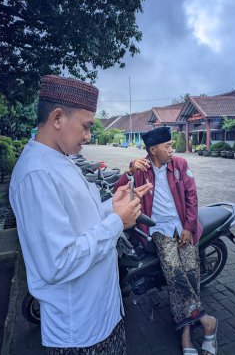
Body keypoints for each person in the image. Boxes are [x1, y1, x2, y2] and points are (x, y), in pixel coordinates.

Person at [9, 75, 152, 355]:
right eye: (86, 127)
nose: (89, 136)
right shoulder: (36, 174)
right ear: (58, 117)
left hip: (100, 314)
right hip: (80, 332)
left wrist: (111, 205)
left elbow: (78, 219)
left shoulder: (60, 158)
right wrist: (116, 223)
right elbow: (57, 263)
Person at [114, 126, 218, 355]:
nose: (172, 149)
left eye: (172, 145)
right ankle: (206, 321)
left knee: (191, 274)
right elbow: (117, 191)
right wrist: (129, 172)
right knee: (175, 274)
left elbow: (192, 197)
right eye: (167, 146)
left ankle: (186, 333)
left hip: (183, 228)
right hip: (159, 232)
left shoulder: (180, 165)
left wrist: (189, 227)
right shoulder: (141, 169)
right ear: (153, 150)